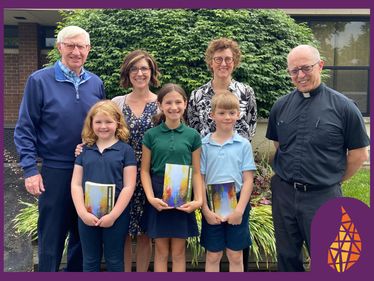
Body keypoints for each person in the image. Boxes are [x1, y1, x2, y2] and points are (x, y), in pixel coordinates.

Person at [266, 44, 369, 272]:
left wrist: (332, 180)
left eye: (306, 68)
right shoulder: (280, 106)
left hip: (323, 197)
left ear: (320, 65)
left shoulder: (344, 108)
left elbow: (358, 154)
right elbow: (279, 145)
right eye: (294, 71)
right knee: (287, 256)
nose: (300, 75)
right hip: (284, 194)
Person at [14, 25, 105, 272]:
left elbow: (102, 125)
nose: (76, 51)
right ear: (59, 47)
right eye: (70, 45)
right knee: (51, 236)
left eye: (81, 46)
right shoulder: (39, 81)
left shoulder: (96, 83)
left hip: (89, 169)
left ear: (88, 49)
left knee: (82, 235)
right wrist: (30, 169)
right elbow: (25, 128)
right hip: (55, 169)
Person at [187, 37, 257, 271]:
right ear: (211, 62)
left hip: (236, 173)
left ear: (235, 61)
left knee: (236, 253)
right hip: (210, 177)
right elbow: (193, 131)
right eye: (218, 59)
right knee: (214, 254)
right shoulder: (198, 95)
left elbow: (251, 126)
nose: (223, 63)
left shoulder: (245, 92)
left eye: (228, 59)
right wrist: (204, 206)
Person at [141, 83, 203, 272]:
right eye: (168, 102)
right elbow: (144, 170)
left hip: (182, 194)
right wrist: (151, 198)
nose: (173, 107)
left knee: (178, 251)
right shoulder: (151, 135)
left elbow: (197, 171)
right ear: (160, 104)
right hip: (159, 194)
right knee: (160, 251)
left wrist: (198, 200)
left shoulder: (193, 135)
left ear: (185, 104)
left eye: (178, 102)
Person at [71, 100, 137, 271]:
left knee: (114, 260)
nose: (103, 126)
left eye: (108, 122)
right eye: (98, 122)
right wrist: (82, 213)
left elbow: (129, 186)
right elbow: (76, 184)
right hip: (87, 214)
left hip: (116, 216)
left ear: (117, 123)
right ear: (91, 124)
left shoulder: (125, 150)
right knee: (90, 260)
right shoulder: (84, 150)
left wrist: (113, 215)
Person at [112, 50, 160, 272]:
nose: (139, 73)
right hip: (122, 175)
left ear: (151, 72)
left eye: (144, 68)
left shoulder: (162, 103)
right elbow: (104, 133)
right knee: (121, 232)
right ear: (127, 73)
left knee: (144, 233)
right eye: (134, 68)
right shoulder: (117, 103)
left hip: (151, 176)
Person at [200, 92, 256, 272]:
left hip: (237, 201)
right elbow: (199, 179)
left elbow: (248, 180)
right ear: (212, 114)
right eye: (222, 113)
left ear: (238, 114)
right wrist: (205, 210)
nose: (227, 117)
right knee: (213, 254)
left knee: (235, 254)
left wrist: (239, 210)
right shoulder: (204, 145)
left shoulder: (243, 144)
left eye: (232, 113)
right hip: (211, 200)